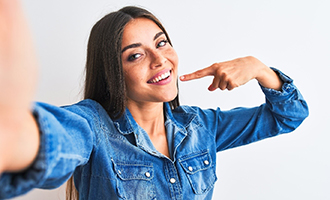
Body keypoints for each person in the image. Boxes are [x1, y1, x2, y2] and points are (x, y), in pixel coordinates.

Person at [0, 1, 308, 200]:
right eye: (135, 55)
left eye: (161, 43)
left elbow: (289, 116)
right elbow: (52, 140)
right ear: (113, 73)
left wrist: (259, 69)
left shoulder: (202, 127)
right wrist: (12, 134)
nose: (159, 59)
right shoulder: (91, 125)